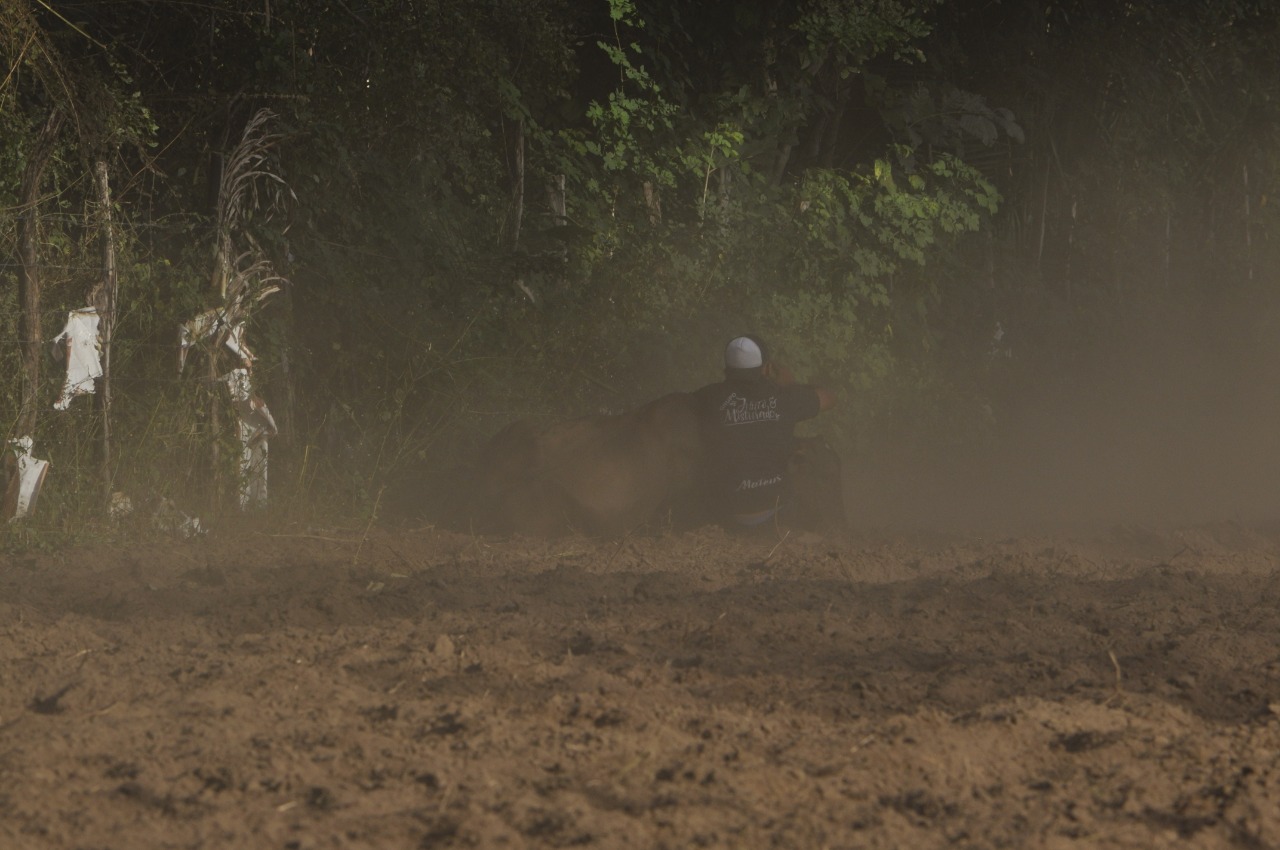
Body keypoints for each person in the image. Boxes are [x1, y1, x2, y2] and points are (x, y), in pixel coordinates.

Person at [693, 335, 836, 531]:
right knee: (819, 452)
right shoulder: (786, 397)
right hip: (777, 511)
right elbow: (830, 398)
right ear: (767, 368)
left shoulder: (706, 398)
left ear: (727, 368)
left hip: (727, 515)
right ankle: (837, 527)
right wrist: (790, 384)